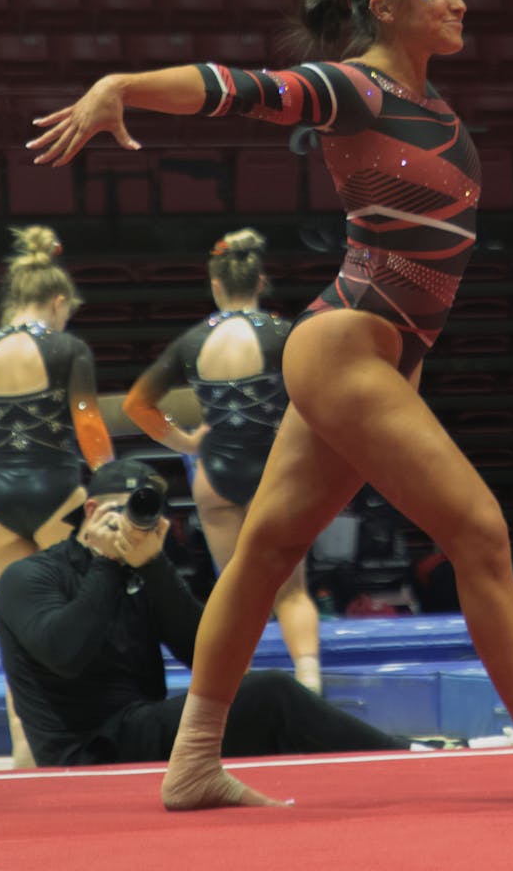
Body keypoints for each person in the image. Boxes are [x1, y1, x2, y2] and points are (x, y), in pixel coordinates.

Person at [28, 0, 513, 811]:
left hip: (380, 354)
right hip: (349, 346)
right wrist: (122, 89)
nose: (458, 4)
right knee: (480, 532)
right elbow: (235, 89)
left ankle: (192, 764)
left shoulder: (428, 102)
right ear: (383, 7)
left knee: (265, 550)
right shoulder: (353, 87)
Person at [0, 456, 412, 767]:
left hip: (138, 730)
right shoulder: (29, 577)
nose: (137, 522)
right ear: (91, 512)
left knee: (256, 710)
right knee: (271, 694)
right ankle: (400, 758)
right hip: (86, 751)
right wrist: (105, 566)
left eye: (150, 510)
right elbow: (65, 654)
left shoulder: (140, 569)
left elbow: (206, 655)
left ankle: (370, 775)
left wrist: (155, 567)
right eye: (127, 507)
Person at [0, 225, 115, 765]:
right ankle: (80, 736)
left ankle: (23, 744)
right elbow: (87, 425)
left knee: (17, 634)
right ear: (58, 301)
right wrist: (109, 490)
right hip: (57, 493)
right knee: (77, 622)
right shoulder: (66, 347)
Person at [123, 227, 322, 693]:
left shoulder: (192, 341)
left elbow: (137, 405)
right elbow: (318, 396)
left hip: (215, 476)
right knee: (288, 591)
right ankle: (310, 685)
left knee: (235, 591)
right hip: (275, 471)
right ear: (260, 281)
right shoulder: (281, 333)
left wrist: (187, 444)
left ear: (215, 285)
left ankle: (231, 692)